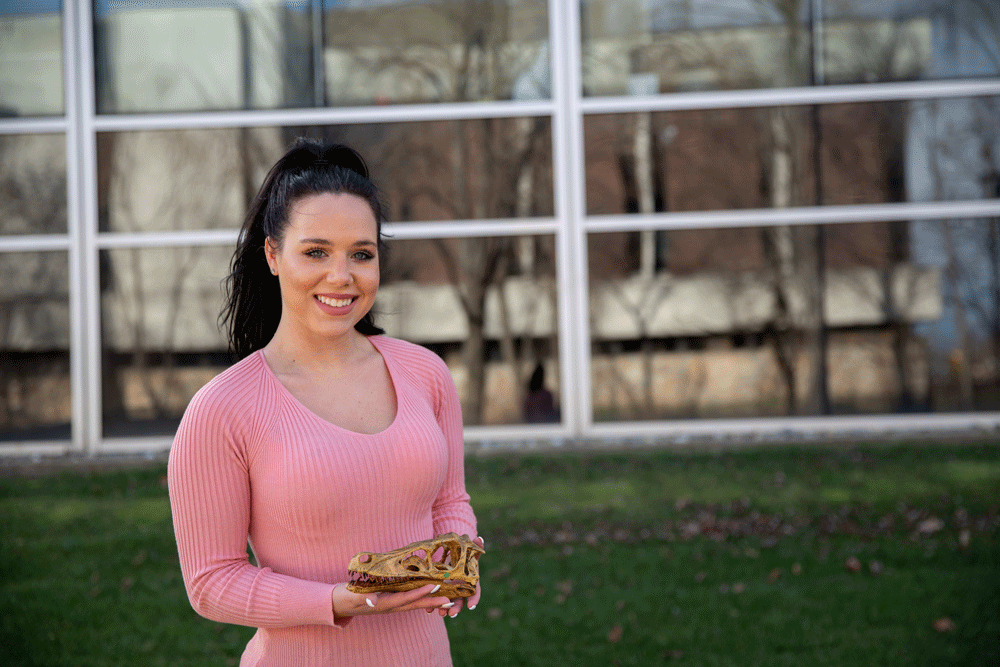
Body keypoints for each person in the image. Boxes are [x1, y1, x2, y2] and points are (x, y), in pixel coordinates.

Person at [167, 138, 482, 667]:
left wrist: (456, 559)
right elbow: (210, 581)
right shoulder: (223, 409)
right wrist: (338, 602)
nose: (342, 276)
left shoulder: (425, 374)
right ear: (272, 254)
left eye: (361, 253)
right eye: (316, 252)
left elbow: (449, 502)